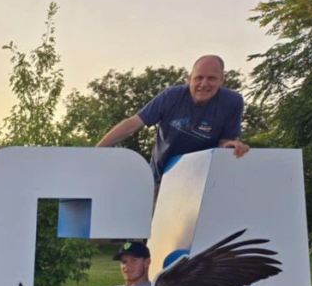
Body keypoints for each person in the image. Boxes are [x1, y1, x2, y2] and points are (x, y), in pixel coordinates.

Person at [96, 55, 250, 191]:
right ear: (189, 79)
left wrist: (230, 147)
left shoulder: (232, 102)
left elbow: (225, 143)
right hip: (162, 178)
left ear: (222, 80)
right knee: (151, 213)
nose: (204, 84)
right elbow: (132, 124)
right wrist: (95, 153)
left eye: (211, 78)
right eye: (198, 78)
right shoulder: (171, 96)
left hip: (202, 182)